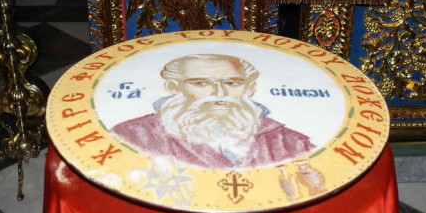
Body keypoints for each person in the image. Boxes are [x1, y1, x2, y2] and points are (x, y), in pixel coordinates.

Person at [112, 54, 314, 168]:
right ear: (174, 87)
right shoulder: (133, 135)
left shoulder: (289, 141)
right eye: (201, 83)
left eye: (232, 83)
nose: (219, 93)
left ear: (250, 88)